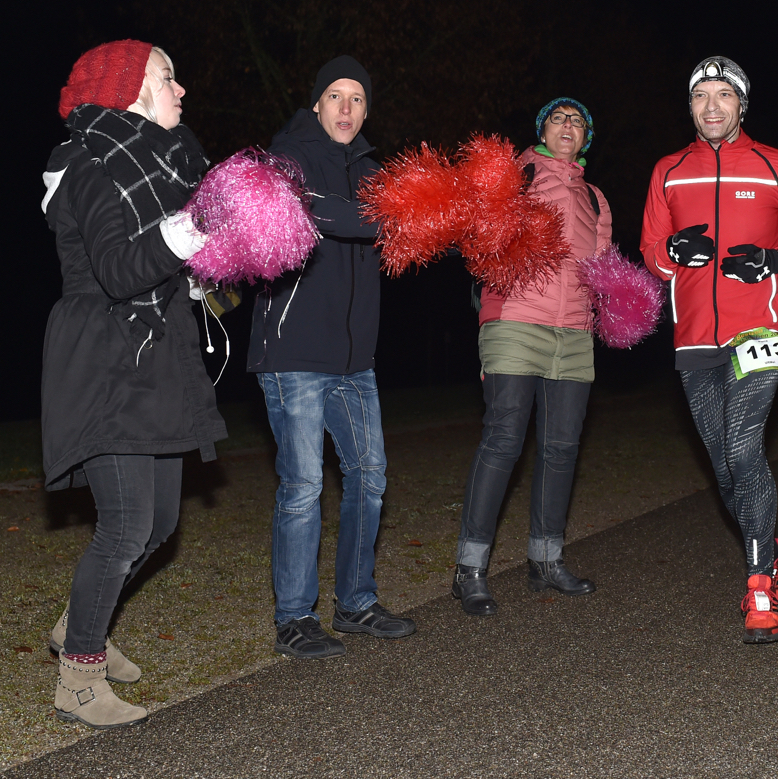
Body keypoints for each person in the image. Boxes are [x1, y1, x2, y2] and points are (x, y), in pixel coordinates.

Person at [41, 40, 227, 727]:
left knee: (163, 524)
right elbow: (119, 271)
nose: (181, 89)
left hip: (154, 357)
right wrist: (188, 232)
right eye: (167, 77)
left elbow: (169, 259)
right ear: (126, 90)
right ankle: (79, 682)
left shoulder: (158, 168)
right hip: (105, 360)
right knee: (125, 526)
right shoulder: (90, 164)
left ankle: (76, 622)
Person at [641, 56, 778, 644]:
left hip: (759, 330)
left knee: (745, 448)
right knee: (725, 466)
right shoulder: (668, 170)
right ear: (690, 107)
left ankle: (759, 587)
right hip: (694, 336)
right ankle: (771, 549)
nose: (713, 106)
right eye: (702, 96)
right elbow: (650, 250)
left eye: (725, 95)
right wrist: (673, 251)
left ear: (741, 104)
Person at [247, 56, 414, 658]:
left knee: (369, 478)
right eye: (336, 97)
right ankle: (294, 616)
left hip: (354, 359)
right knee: (303, 485)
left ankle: (356, 604)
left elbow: (403, 234)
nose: (346, 109)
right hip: (293, 351)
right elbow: (316, 213)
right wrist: (398, 214)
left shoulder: (376, 172)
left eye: (358, 100)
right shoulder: (285, 158)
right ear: (316, 103)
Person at [451, 98, 612, 615]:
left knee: (562, 448)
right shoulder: (514, 175)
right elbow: (473, 239)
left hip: (575, 332)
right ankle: (470, 569)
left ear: (586, 137)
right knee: (504, 439)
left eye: (577, 120)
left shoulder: (597, 198)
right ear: (541, 129)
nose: (568, 125)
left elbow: (603, 268)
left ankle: (546, 561)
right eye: (558, 118)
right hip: (516, 319)